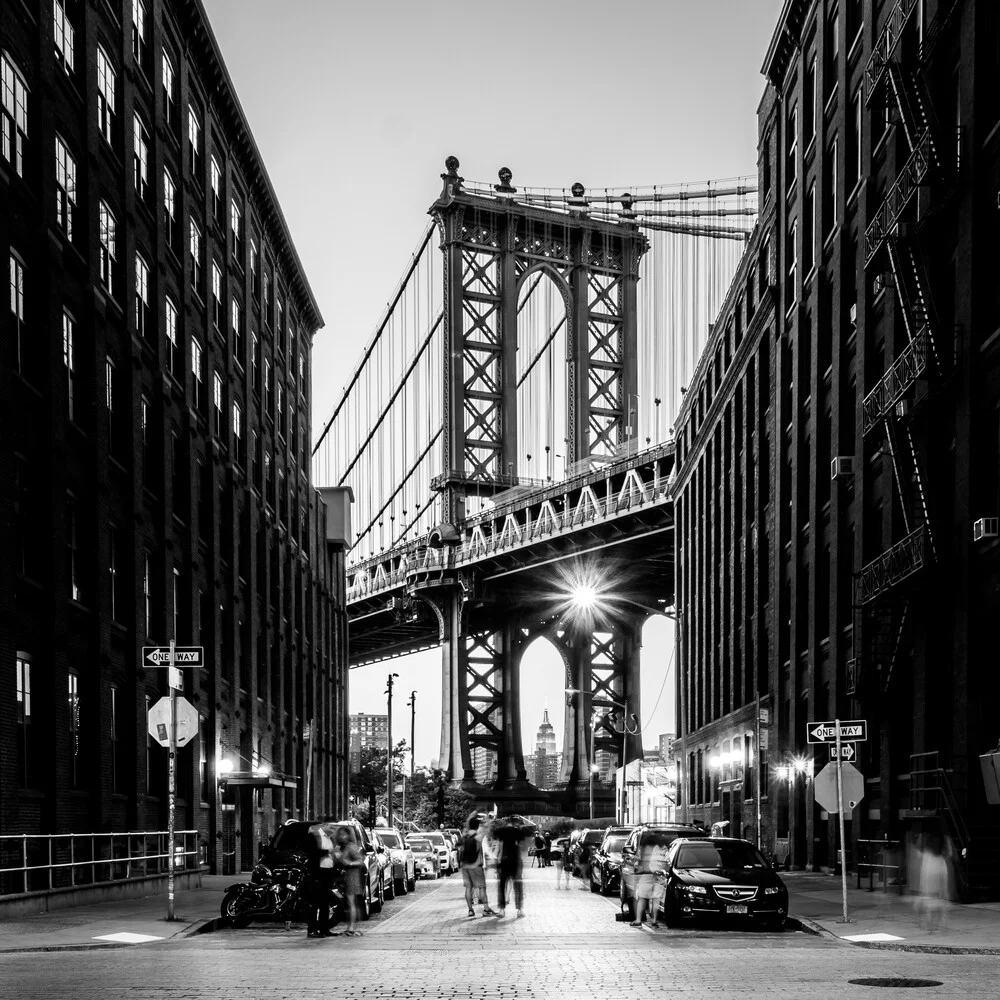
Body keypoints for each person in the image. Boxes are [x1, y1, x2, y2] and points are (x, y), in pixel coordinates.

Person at [460, 817, 496, 917]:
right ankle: (486, 909)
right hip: (476, 866)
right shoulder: (478, 837)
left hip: (465, 866)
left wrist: (470, 817)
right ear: (477, 826)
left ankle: (470, 910)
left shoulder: (464, 836)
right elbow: (488, 828)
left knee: (468, 888)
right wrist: (488, 818)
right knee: (481, 888)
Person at [334, 825, 365, 936]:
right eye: (340, 834)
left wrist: (349, 863)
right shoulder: (342, 847)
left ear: (348, 835)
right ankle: (350, 926)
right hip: (346, 876)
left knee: (351, 902)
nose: (342, 837)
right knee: (349, 903)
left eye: (344, 834)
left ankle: (351, 927)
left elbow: (360, 861)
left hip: (352, 876)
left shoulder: (351, 847)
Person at [631, 837, 668, 928]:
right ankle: (654, 920)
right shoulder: (665, 850)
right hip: (660, 875)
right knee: (656, 899)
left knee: (642, 897)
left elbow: (640, 862)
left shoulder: (646, 848)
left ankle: (638, 920)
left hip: (647, 875)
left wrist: (635, 864)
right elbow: (667, 863)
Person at [307, 822, 335, 938]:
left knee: (325, 902)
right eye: (331, 826)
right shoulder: (316, 837)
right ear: (324, 826)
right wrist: (328, 852)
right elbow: (313, 853)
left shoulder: (330, 838)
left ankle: (324, 929)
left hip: (328, 872)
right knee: (315, 902)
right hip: (318, 873)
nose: (333, 829)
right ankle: (312, 929)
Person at [494, 824, 526, 917]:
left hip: (505, 861)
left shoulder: (502, 834)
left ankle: (502, 910)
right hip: (516, 862)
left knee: (502, 886)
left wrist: (498, 863)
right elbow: (523, 848)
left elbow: (499, 850)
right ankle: (520, 910)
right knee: (518, 886)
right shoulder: (518, 834)